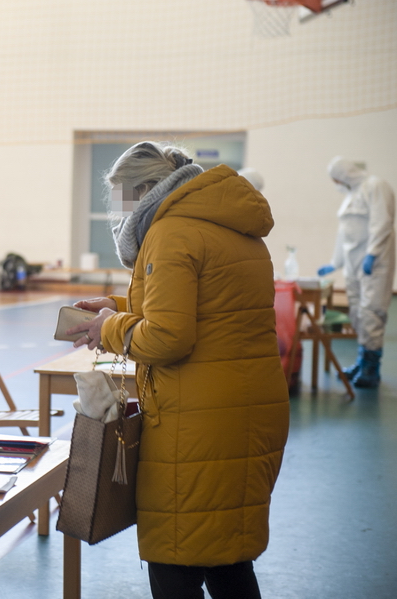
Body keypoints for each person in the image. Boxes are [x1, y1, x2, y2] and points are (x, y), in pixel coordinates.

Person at [66, 141, 289, 599]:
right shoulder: (230, 223)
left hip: (198, 421)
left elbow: (168, 338)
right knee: (225, 556)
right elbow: (208, 308)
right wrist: (120, 307)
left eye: (121, 198)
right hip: (244, 410)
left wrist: (112, 328)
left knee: (175, 559)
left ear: (145, 190)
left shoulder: (171, 232)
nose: (119, 212)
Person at [317, 157, 395, 388]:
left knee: (371, 312)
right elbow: (344, 234)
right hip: (352, 263)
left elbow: (382, 221)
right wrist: (335, 262)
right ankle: (363, 361)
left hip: (375, 262)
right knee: (357, 314)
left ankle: (372, 368)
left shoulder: (375, 186)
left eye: (336, 179)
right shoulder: (350, 195)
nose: (336, 183)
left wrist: (373, 253)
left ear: (344, 173)